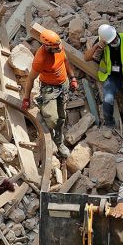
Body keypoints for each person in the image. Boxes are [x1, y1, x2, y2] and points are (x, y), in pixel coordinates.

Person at [21, 29, 78, 157]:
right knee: (52, 119)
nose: (59, 49)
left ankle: (59, 139)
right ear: (46, 46)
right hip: (49, 88)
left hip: (63, 85)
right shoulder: (40, 59)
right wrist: (26, 98)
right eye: (55, 47)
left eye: (59, 46)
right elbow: (30, 78)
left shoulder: (58, 46)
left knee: (61, 115)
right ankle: (56, 139)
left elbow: (65, 61)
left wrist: (73, 78)